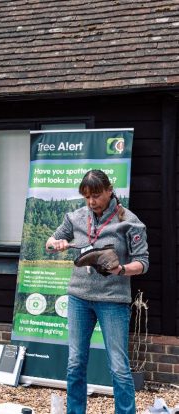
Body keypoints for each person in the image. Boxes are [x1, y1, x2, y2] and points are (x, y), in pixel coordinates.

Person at [45, 169, 149, 414]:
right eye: (87, 197)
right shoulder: (75, 217)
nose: (92, 202)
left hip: (113, 301)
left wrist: (121, 270)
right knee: (75, 363)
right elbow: (50, 242)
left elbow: (143, 262)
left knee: (119, 367)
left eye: (97, 195)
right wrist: (56, 244)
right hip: (79, 299)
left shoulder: (130, 221)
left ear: (110, 190)